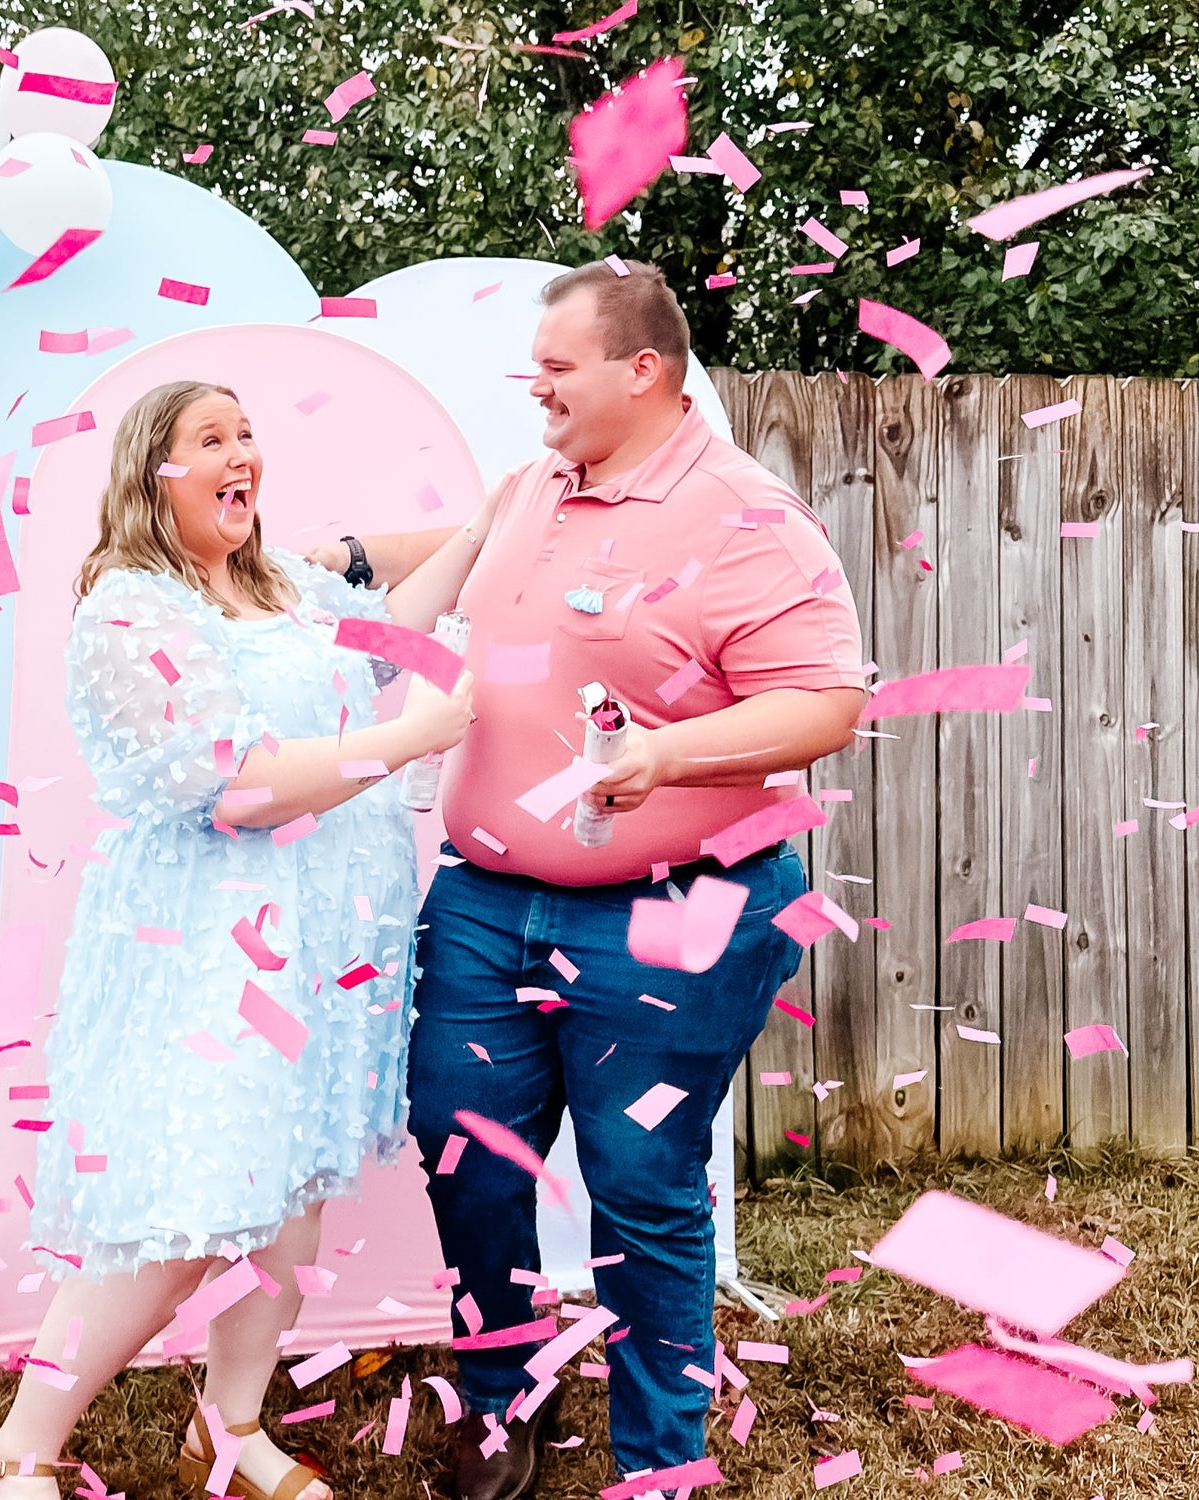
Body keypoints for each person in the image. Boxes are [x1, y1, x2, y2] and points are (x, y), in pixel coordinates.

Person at [309, 261, 868, 1500]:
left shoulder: (746, 519)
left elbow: (828, 700)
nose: (536, 388)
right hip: (483, 903)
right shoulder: (541, 481)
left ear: (644, 371)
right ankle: (504, 1394)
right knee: (462, 1146)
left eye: (557, 368)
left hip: (678, 915)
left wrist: (664, 754)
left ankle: (660, 1459)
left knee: (640, 1185)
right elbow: (466, 538)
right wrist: (345, 554)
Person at [0, 379, 492, 1499]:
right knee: (177, 1217)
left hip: (321, 950)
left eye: (247, 434)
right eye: (210, 438)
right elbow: (237, 785)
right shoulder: (133, 609)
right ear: (152, 473)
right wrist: (410, 738)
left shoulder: (281, 587)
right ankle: (21, 1447)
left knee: (286, 1206)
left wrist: (493, 524)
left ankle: (233, 1429)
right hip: (209, 951)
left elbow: (389, 631)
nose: (240, 453)